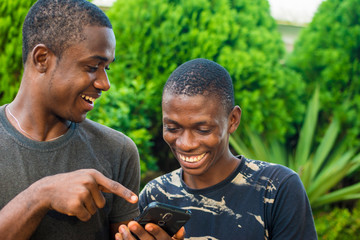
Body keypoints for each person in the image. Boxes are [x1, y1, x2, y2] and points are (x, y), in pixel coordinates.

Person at [117, 58, 317, 239]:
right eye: (172, 128)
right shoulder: (156, 194)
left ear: (232, 120)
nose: (185, 143)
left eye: (203, 129)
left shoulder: (275, 189)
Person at [0, 1, 143, 239]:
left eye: (106, 68)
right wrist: (40, 195)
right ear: (42, 58)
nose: (104, 83)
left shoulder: (118, 151)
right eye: (92, 66)